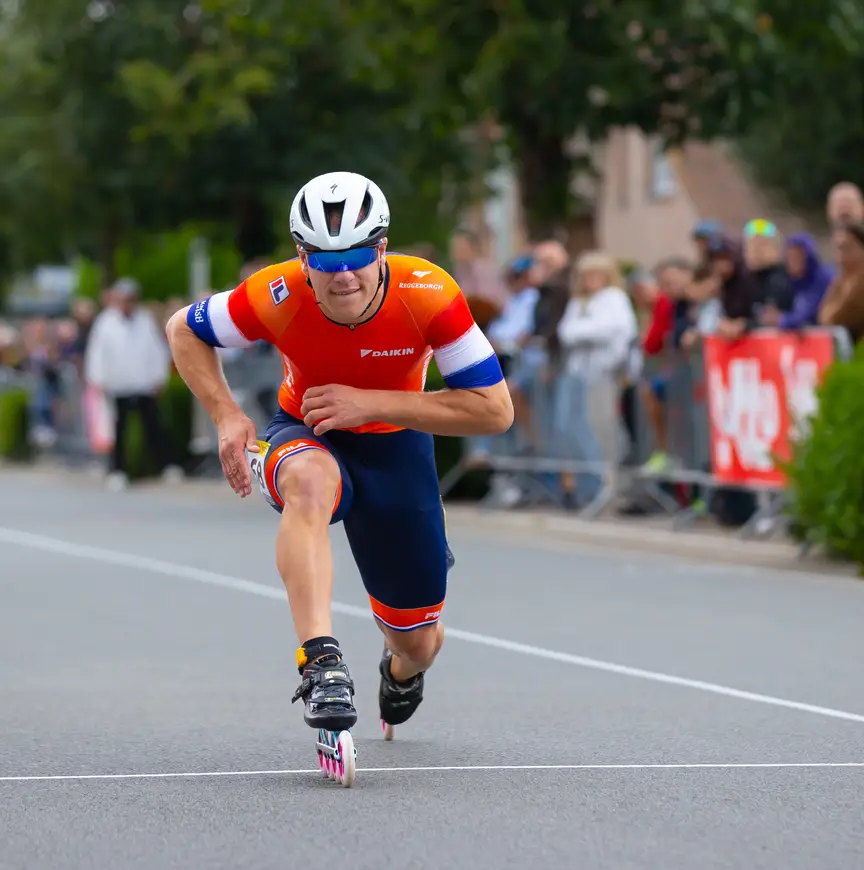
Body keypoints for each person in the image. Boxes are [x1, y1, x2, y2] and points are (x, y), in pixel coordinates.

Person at [166, 171, 513, 737]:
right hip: (307, 428)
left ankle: (401, 670)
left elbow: (494, 411)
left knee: (418, 641)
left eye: (357, 255)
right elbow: (184, 330)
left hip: (397, 447)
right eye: (326, 261)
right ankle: (321, 663)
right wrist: (227, 415)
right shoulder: (274, 295)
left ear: (381, 249)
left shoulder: (429, 293)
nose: (344, 274)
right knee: (308, 481)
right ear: (304, 260)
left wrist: (369, 402)